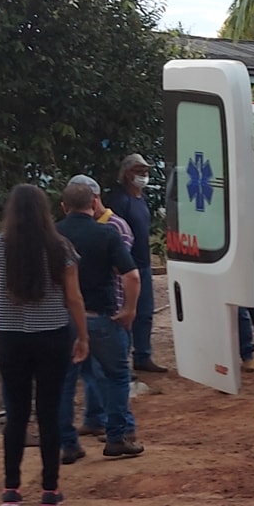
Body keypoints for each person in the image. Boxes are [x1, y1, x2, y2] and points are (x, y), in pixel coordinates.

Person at [0, 184, 89, 506]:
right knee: (49, 412)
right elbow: (73, 298)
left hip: (12, 338)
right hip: (52, 336)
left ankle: (11, 488)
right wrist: (83, 336)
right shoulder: (60, 247)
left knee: (16, 413)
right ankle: (49, 490)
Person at [56, 178, 142, 463]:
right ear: (93, 203)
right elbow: (131, 275)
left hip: (63, 321)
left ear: (63, 206)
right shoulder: (106, 234)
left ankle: (68, 444)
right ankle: (117, 437)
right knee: (117, 377)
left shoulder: (53, 236)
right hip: (102, 318)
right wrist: (129, 310)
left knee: (64, 382)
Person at [105, 154, 165, 374]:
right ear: (127, 173)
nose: (143, 174)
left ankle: (143, 355)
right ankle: (123, 358)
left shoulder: (141, 198)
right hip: (127, 266)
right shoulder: (121, 201)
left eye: (146, 170)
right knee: (126, 312)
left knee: (145, 312)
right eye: (139, 170)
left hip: (144, 264)